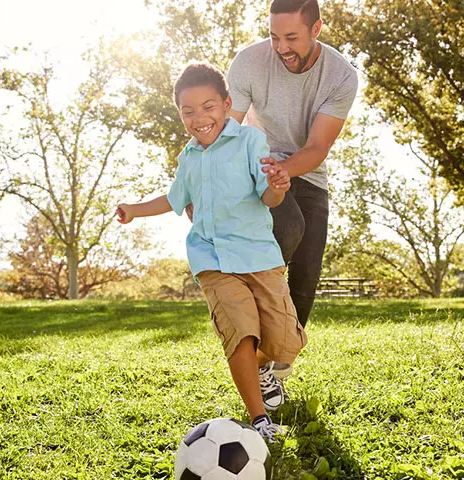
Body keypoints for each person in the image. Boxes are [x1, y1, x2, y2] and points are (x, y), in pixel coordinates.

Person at [116, 63, 307, 441]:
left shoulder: (251, 141)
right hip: (213, 259)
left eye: (208, 107)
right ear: (180, 115)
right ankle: (260, 421)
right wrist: (134, 210)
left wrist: (279, 186)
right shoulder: (188, 158)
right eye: (188, 111)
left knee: (285, 341)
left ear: (227, 104)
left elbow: (268, 196)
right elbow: (174, 199)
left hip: (259, 256)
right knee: (241, 334)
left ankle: (262, 368)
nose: (199, 118)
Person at [225, 0, 358, 379]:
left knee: (305, 278)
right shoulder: (249, 62)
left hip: (308, 170)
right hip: (258, 162)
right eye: (273, 36)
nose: (281, 47)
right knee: (289, 225)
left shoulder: (340, 76)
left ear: (316, 30)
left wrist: (285, 171)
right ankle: (244, 297)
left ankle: (275, 372)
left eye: (291, 37)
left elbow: (316, 148)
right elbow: (226, 133)